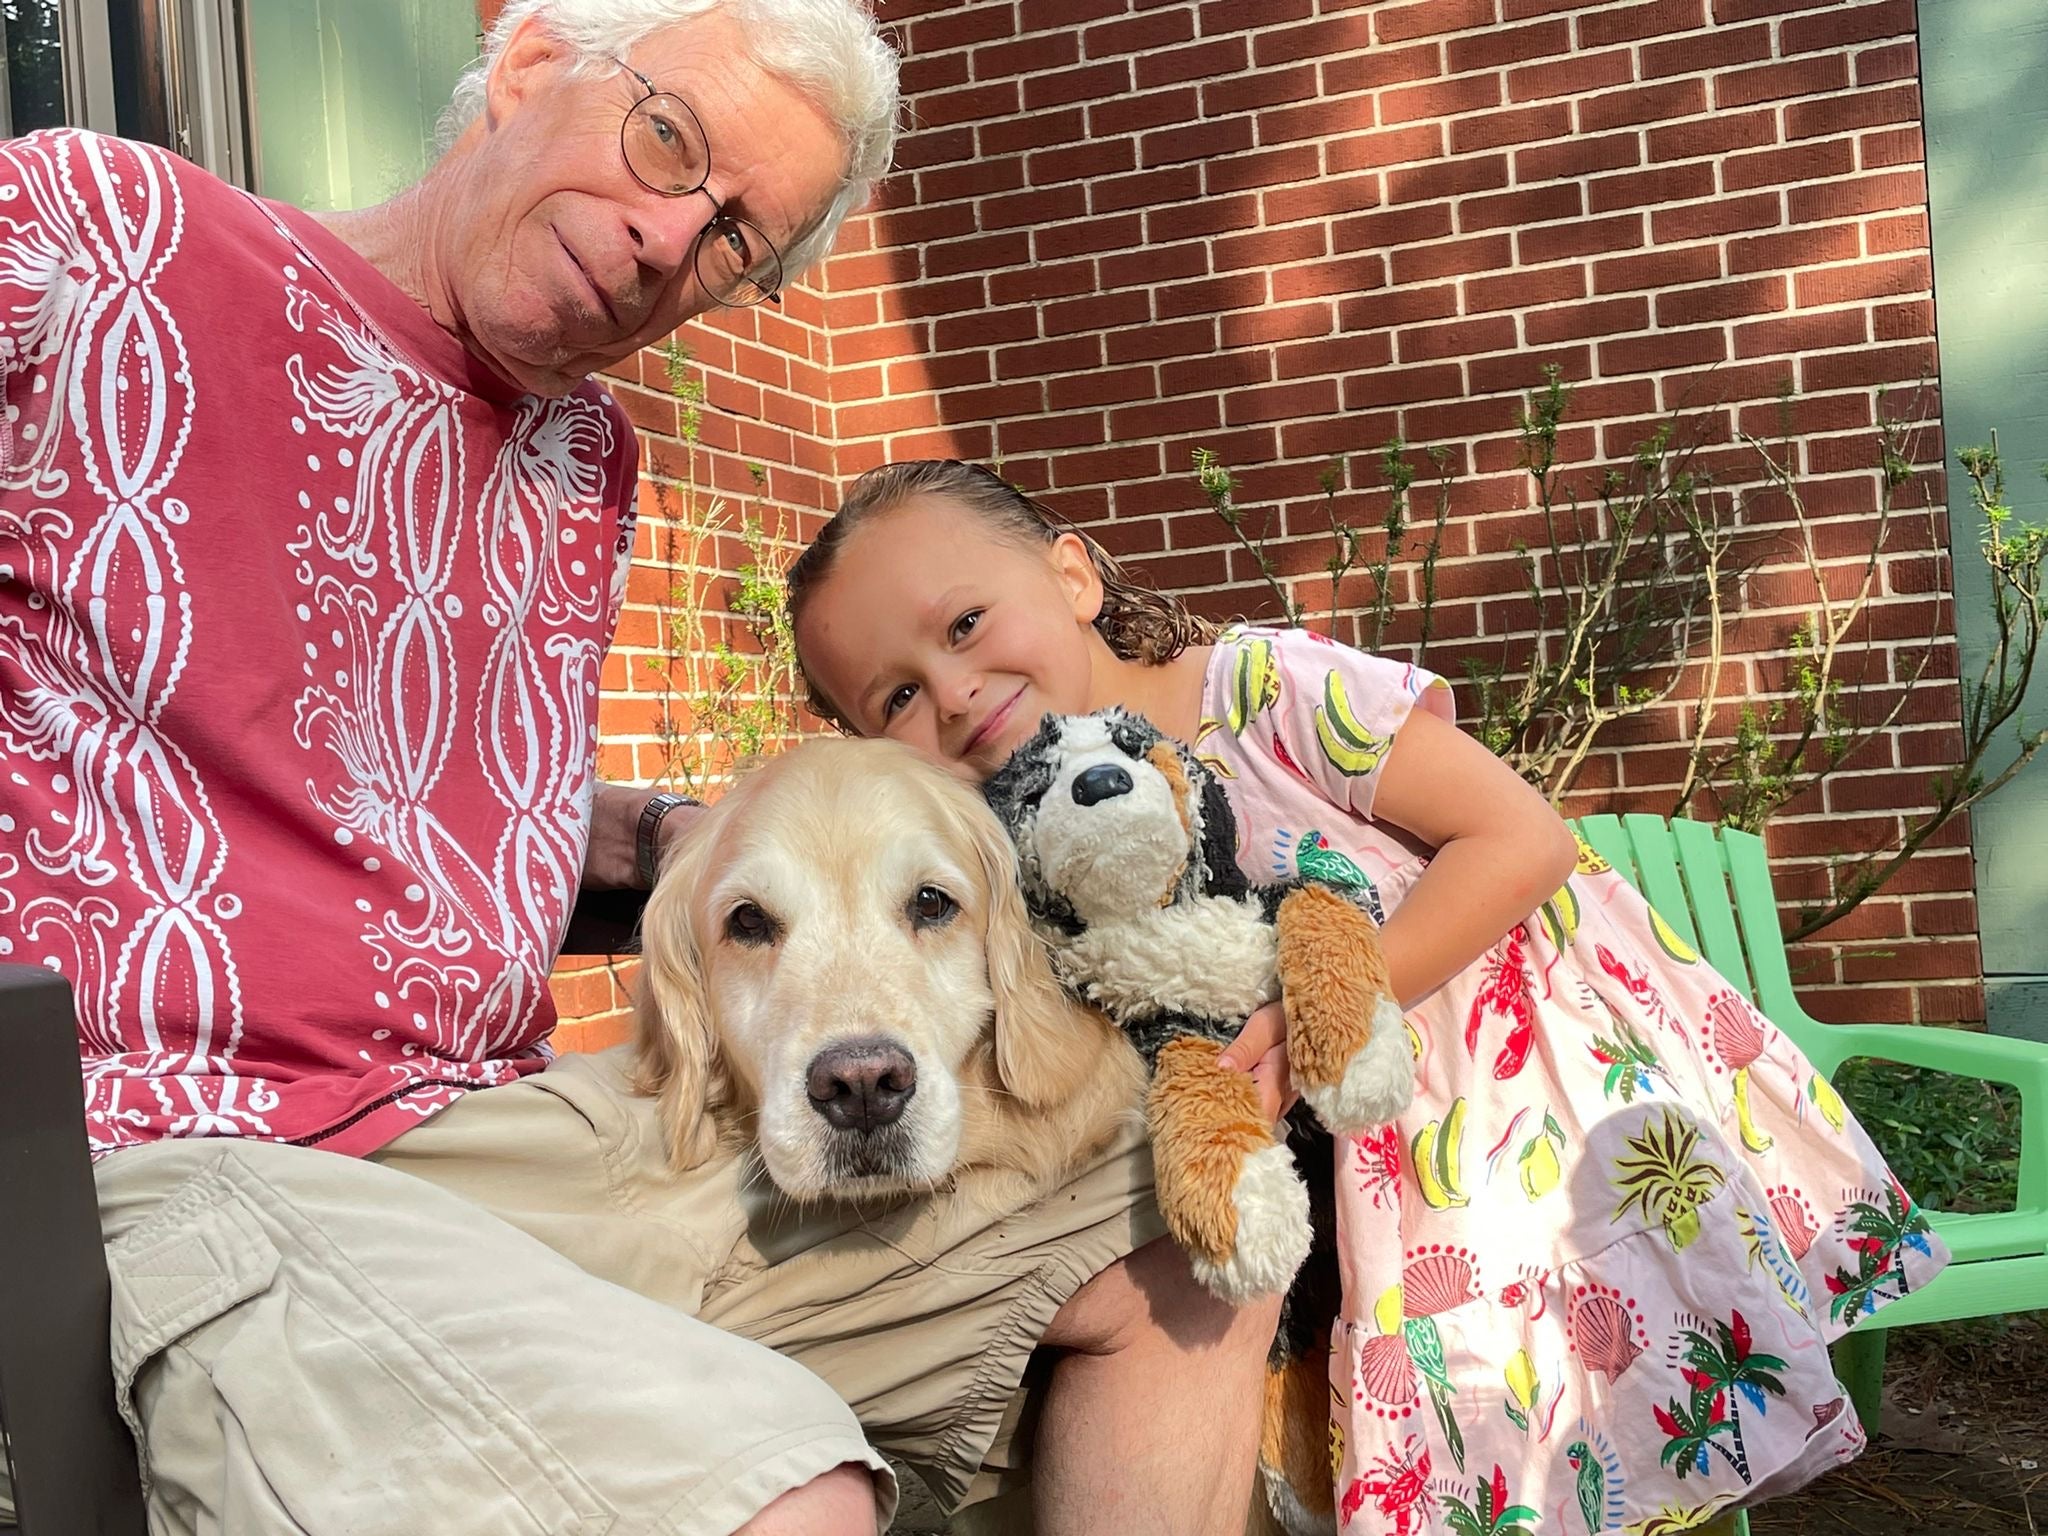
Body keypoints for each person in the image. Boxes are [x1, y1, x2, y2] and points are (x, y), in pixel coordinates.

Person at [0, 6, 1286, 1532]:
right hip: (172, 1139)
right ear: (532, 67)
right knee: (777, 1493)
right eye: (669, 139)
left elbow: (416, 799)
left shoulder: (583, 457)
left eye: (737, 235)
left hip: (498, 1134)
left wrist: (696, 844)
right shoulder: (95, 234)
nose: (670, 234)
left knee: (1195, 1222)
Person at [786, 458, 1954, 1534]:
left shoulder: (1260, 690)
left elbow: (1518, 837)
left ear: (1072, 572)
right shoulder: (1001, 848)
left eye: (965, 623)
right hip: (1334, 1189)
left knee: (1571, 1408)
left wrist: (1319, 1018)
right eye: (891, 697)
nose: (948, 689)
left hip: (1500, 1104)